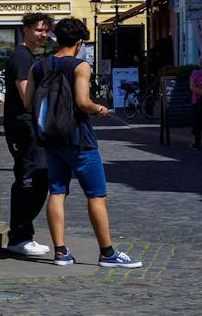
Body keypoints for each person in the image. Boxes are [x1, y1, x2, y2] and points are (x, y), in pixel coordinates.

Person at [36, 18, 141, 267]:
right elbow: (83, 102)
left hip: (52, 138)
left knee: (57, 192)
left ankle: (60, 252)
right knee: (96, 195)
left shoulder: (39, 66)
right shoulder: (80, 66)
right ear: (80, 42)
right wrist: (99, 108)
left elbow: (30, 101)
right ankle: (107, 253)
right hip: (79, 138)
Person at [4, 11, 54, 259]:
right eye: (39, 30)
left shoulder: (28, 56)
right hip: (25, 127)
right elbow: (26, 98)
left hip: (28, 127)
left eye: (46, 30)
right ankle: (20, 236)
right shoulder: (21, 57)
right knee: (30, 179)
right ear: (26, 29)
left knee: (35, 178)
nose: (43, 34)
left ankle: (22, 234)